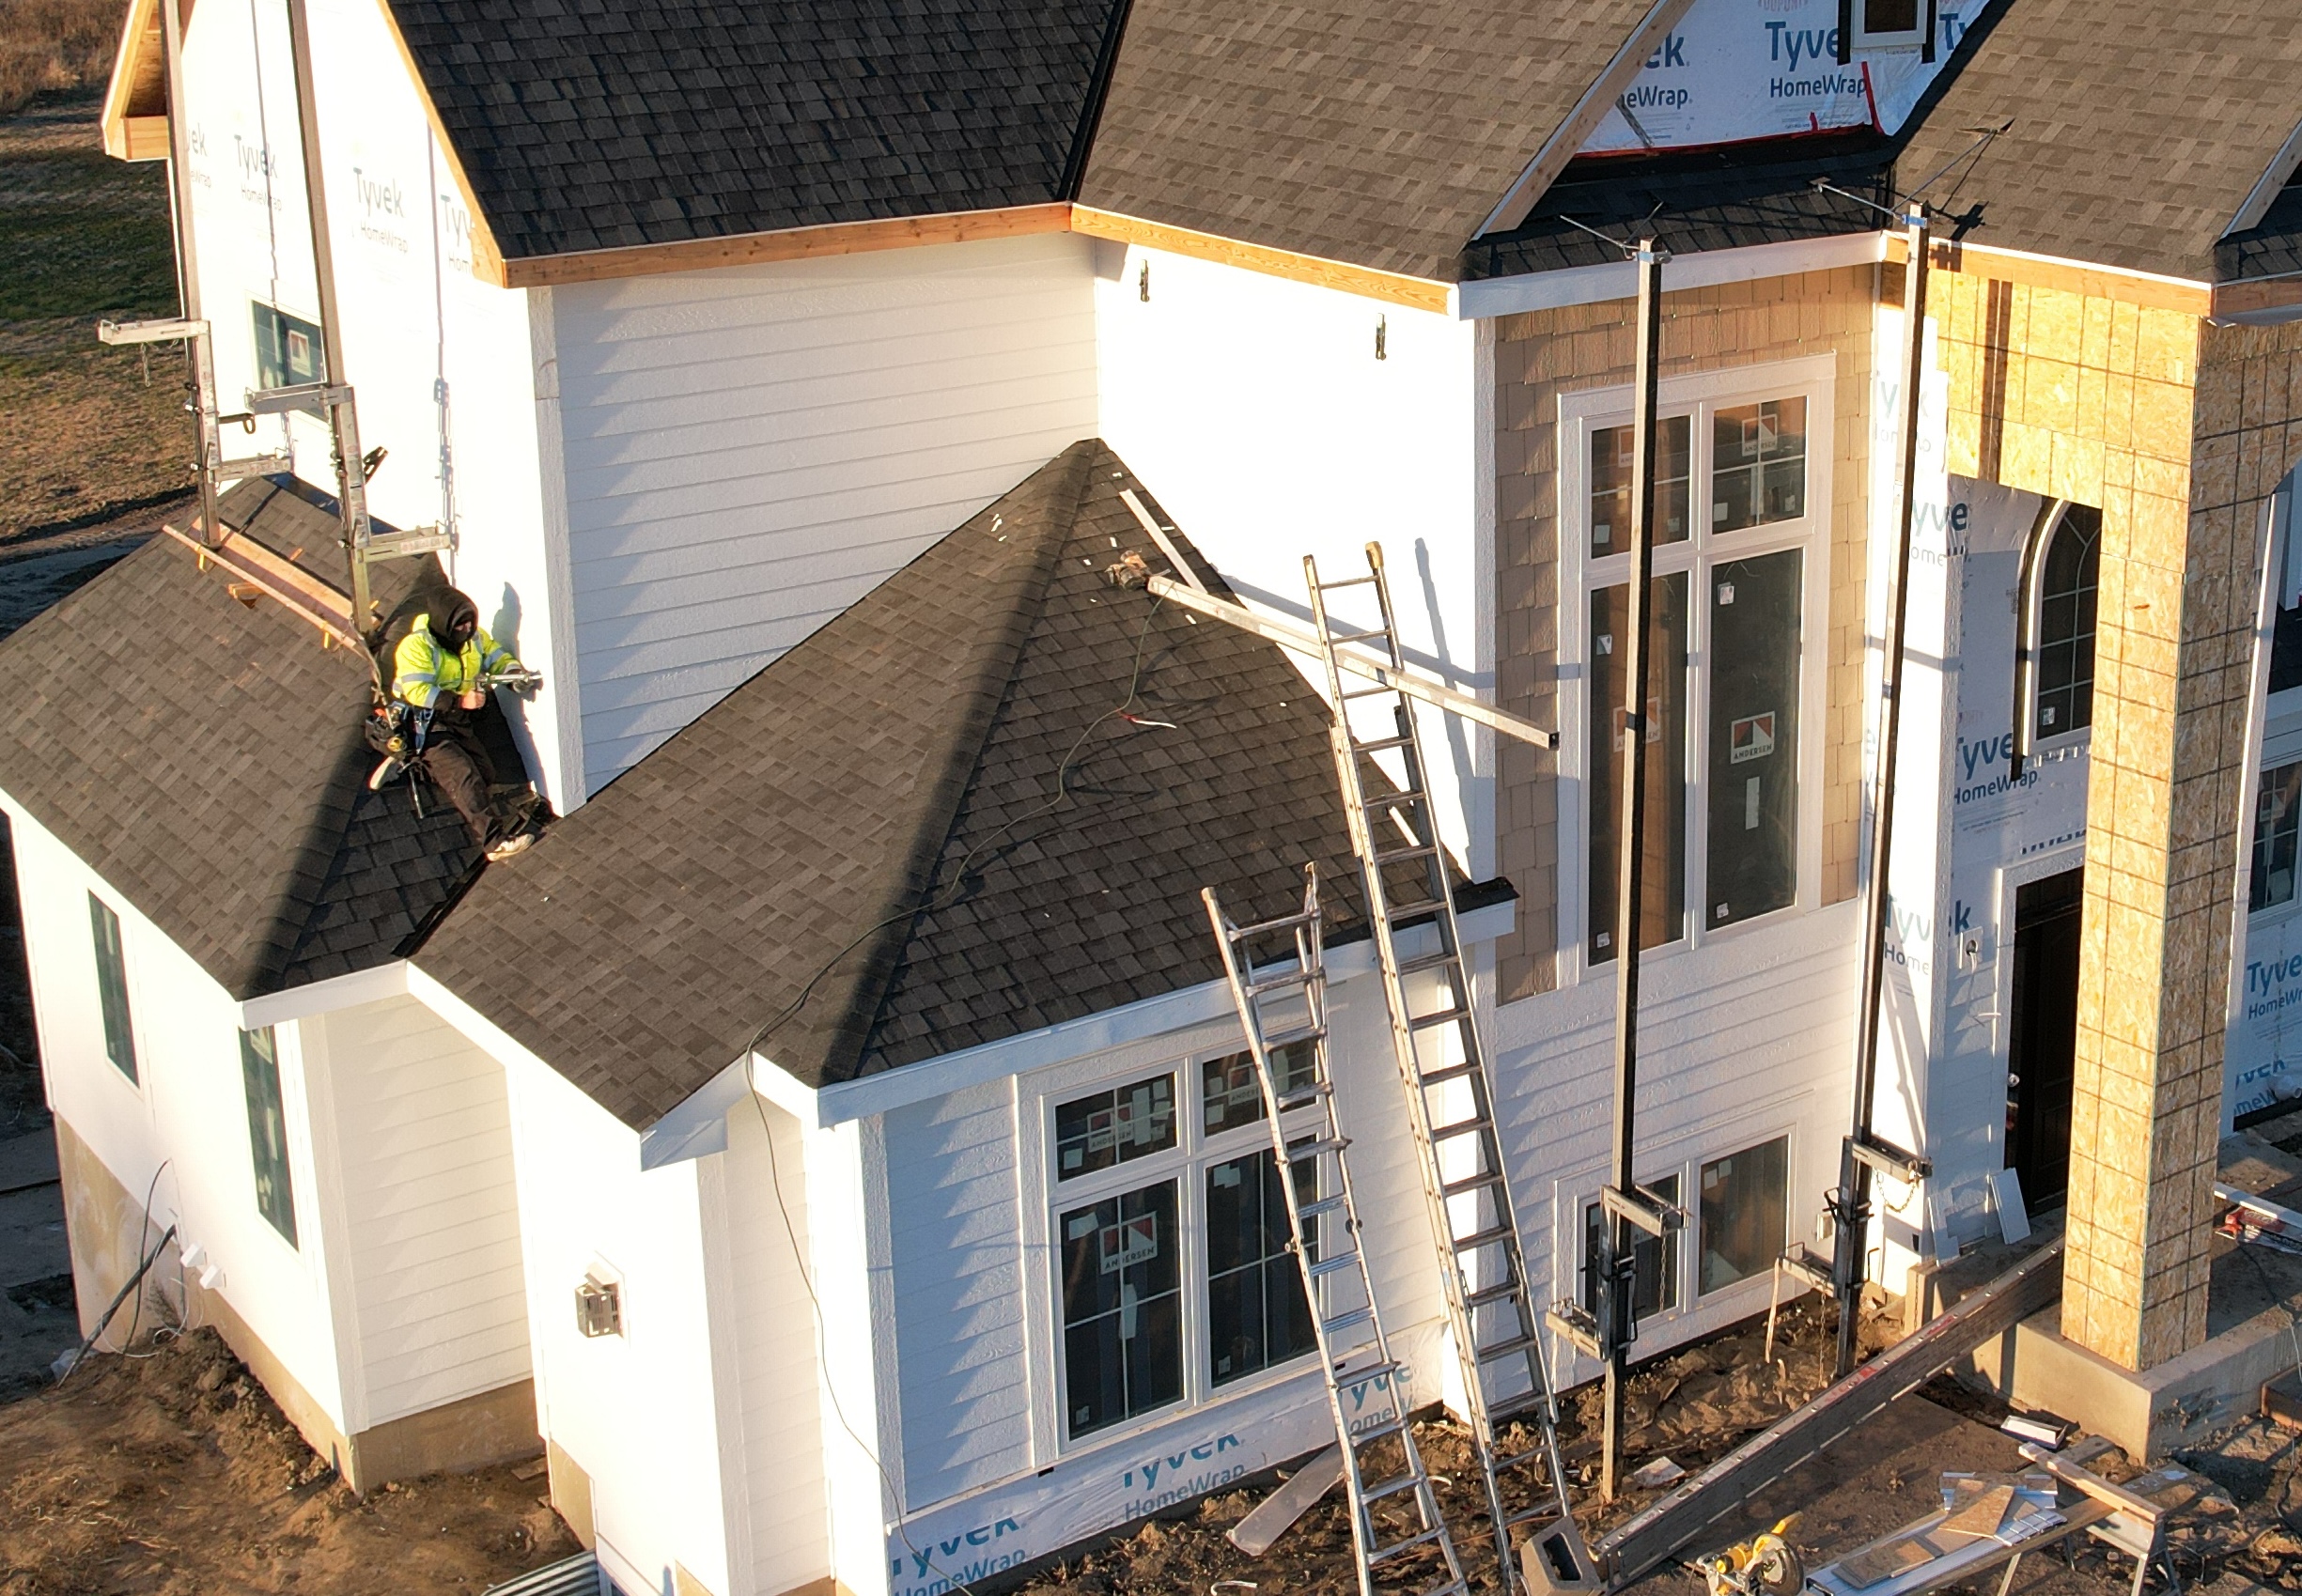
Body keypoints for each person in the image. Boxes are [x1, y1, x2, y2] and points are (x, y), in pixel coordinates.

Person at [388, 587, 536, 861]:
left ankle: (437, 774)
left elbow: (495, 656)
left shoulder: (474, 639)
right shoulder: (416, 647)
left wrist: (512, 673)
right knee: (464, 775)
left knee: (483, 772)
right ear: (443, 623)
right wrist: (460, 701)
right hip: (425, 725)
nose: (466, 629)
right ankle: (495, 844)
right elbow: (417, 691)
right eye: (460, 624)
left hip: (457, 720)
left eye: (470, 622)